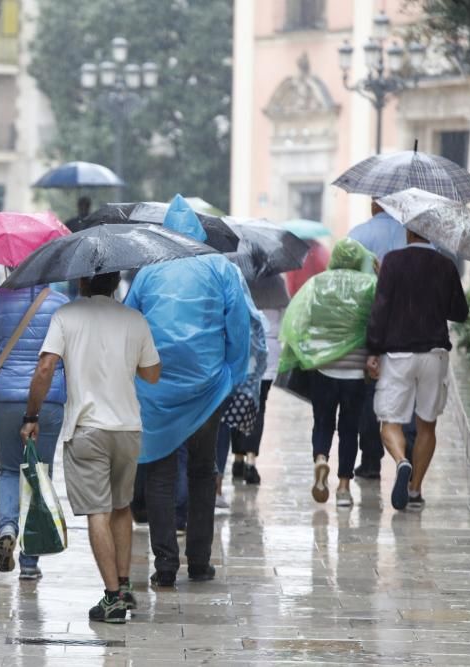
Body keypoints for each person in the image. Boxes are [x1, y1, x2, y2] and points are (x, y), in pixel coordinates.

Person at [124, 196, 250, 588]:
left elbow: (130, 318)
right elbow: (239, 326)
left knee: (160, 472)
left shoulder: (149, 270)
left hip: (156, 386)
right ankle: (199, 561)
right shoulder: (220, 268)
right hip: (206, 386)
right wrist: (232, 373)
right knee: (202, 470)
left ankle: (164, 565)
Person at [21, 271, 160, 624]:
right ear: (115, 284)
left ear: (81, 282)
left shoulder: (66, 316)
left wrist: (32, 414)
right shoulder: (134, 318)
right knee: (121, 507)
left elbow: (45, 367)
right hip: (128, 428)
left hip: (86, 429)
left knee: (97, 510)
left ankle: (112, 598)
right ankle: (125, 586)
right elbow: (152, 374)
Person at [0, 282, 69, 580]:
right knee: (39, 474)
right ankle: (29, 561)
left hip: (6, 399)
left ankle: (8, 529)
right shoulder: (62, 303)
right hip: (49, 399)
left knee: (10, 470)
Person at [365, 228, 468, 510]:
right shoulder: (446, 265)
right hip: (434, 354)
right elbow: (460, 312)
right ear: (431, 234)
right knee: (427, 425)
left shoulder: (393, 261)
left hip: (398, 354)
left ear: (409, 231)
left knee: (390, 421)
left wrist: (373, 350)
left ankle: (402, 461)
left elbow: (380, 308)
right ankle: (414, 491)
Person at [278, 239, 378, 507]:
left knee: (323, 423)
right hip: (356, 372)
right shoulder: (369, 285)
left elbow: (300, 320)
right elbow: (379, 321)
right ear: (358, 260)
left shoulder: (318, 284)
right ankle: (344, 488)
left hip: (323, 369)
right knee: (349, 429)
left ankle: (321, 459)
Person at [347, 200, 407, 479]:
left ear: (373, 205)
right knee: (405, 392)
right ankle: (405, 457)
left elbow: (346, 281)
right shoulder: (411, 235)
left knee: (369, 393)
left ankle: (370, 461)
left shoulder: (358, 235)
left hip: (366, 324)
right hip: (406, 326)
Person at [217, 273, 288, 499]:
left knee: (235, 403)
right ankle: (250, 460)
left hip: (242, 352)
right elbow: (284, 319)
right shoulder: (277, 281)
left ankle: (236, 459)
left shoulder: (236, 279)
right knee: (259, 407)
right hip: (268, 353)